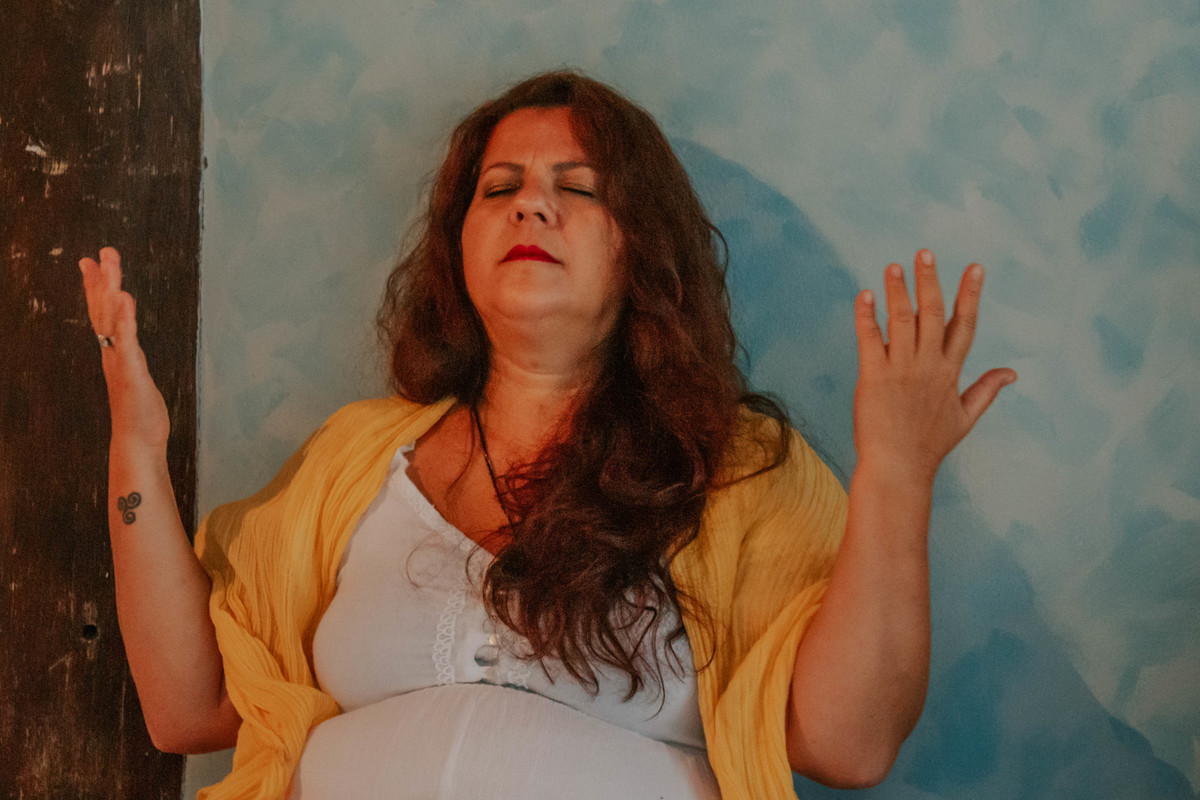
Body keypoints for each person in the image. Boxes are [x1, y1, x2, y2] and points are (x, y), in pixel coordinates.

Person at [78, 71, 1016, 800]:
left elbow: (850, 747)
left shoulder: (740, 473)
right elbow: (187, 709)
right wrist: (137, 449)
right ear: (459, 243)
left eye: (579, 187)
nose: (531, 205)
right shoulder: (354, 458)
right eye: (501, 187)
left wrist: (899, 471)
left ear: (641, 250)